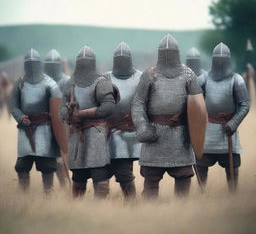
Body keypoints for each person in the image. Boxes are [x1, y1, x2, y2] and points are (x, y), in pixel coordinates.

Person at [132, 34, 205, 199]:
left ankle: (180, 217)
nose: (167, 55)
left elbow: (198, 106)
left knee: (183, 179)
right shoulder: (149, 75)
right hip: (154, 137)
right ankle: (148, 216)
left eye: (170, 52)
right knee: (150, 181)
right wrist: (144, 128)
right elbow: (137, 104)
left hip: (180, 137)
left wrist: (188, 120)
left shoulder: (188, 74)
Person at [59, 45, 117, 199]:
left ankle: (101, 210)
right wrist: (70, 115)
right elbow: (61, 109)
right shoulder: (70, 83)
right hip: (76, 133)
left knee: (99, 172)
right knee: (78, 175)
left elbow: (109, 107)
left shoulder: (101, 82)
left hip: (96, 133)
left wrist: (83, 113)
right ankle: (78, 209)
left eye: (86, 62)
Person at [10, 48, 68, 195]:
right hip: (25, 130)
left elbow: (57, 110)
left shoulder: (51, 84)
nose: (31, 67)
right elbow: (13, 106)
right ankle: (24, 195)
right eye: (29, 64)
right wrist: (21, 117)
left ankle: (48, 195)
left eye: (33, 64)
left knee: (47, 165)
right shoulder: (19, 84)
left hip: (45, 130)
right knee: (22, 165)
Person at [196, 42, 249, 192]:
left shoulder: (236, 79)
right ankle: (200, 198)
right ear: (213, 59)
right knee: (201, 168)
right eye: (217, 58)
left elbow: (244, 105)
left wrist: (233, 123)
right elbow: (193, 102)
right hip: (207, 133)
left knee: (232, 171)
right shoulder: (204, 79)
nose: (219, 61)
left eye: (222, 58)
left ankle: (232, 199)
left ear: (227, 59)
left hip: (228, 132)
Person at [105, 42, 142, 199]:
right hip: (113, 131)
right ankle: (130, 199)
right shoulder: (105, 78)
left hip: (137, 130)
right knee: (120, 168)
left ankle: (138, 201)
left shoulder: (141, 77)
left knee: (147, 170)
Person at [44, 49, 70, 187]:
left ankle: (66, 185)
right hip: (45, 125)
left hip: (63, 124)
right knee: (50, 158)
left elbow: (72, 103)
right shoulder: (41, 81)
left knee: (62, 156)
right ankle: (58, 186)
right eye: (50, 64)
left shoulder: (67, 81)